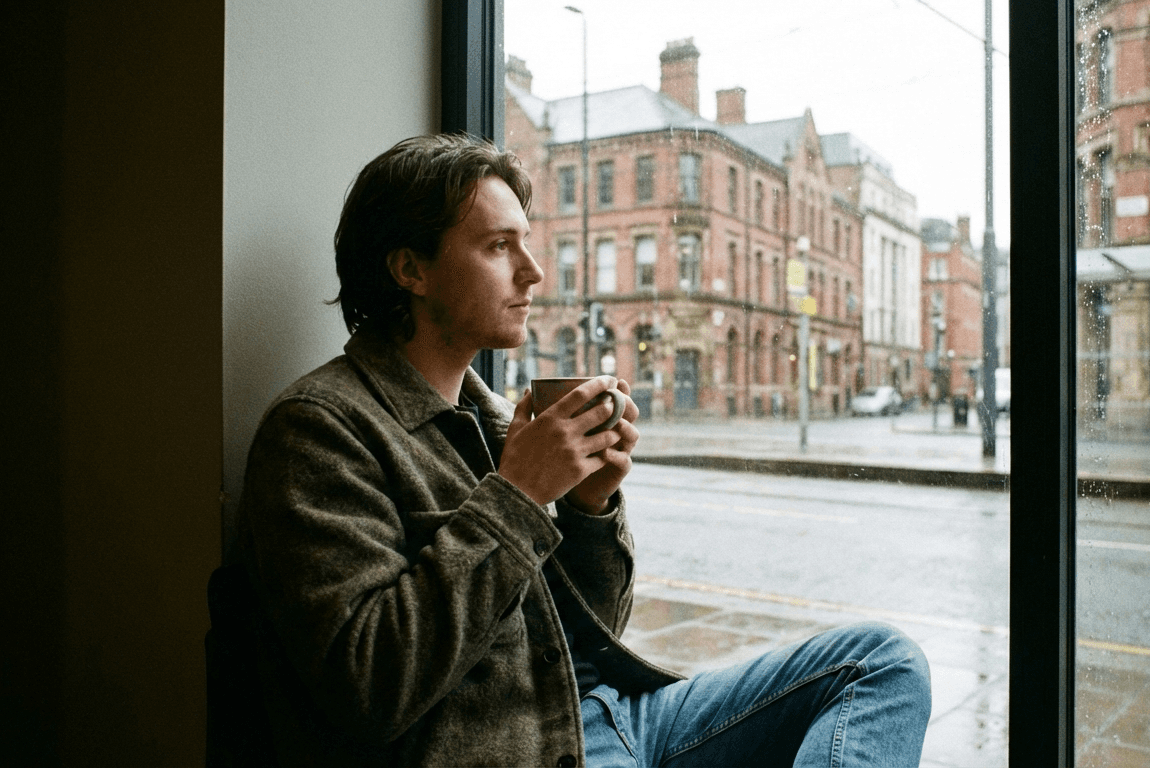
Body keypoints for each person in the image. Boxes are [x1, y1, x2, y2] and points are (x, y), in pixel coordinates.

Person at [235, 134, 931, 767]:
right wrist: (520, 495)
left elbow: (591, 630)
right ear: (410, 269)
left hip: (607, 714)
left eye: (527, 242)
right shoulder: (320, 431)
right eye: (499, 246)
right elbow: (369, 687)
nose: (535, 271)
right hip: (519, 749)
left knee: (882, 662)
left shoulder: (495, 419)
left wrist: (589, 509)